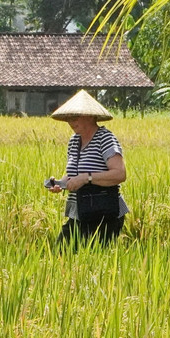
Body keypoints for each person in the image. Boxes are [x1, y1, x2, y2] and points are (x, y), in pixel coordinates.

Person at [47, 90, 128, 247]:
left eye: (75, 117)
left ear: (90, 116)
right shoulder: (74, 141)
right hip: (80, 211)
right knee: (60, 253)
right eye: (69, 118)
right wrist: (60, 183)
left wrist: (87, 178)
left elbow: (120, 174)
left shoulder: (105, 138)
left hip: (103, 212)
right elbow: (73, 173)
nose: (71, 122)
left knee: (94, 260)